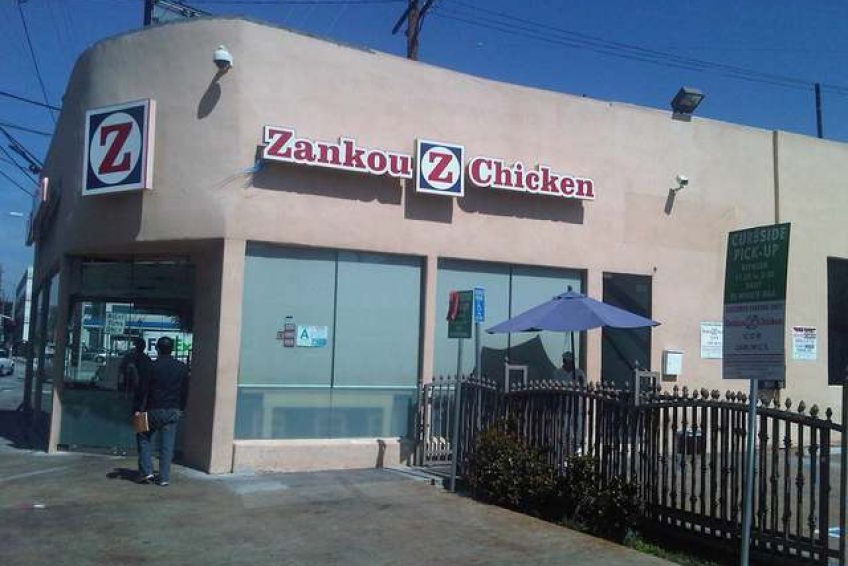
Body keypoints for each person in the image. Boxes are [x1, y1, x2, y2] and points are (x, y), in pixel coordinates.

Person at [133, 336, 190, 486]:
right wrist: (182, 408)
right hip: (172, 410)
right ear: (172, 349)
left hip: (151, 410)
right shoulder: (181, 367)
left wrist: (137, 409)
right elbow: (185, 390)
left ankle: (146, 471)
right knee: (167, 445)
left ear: (157, 348)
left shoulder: (151, 366)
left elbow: (143, 389)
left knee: (143, 436)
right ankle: (164, 477)